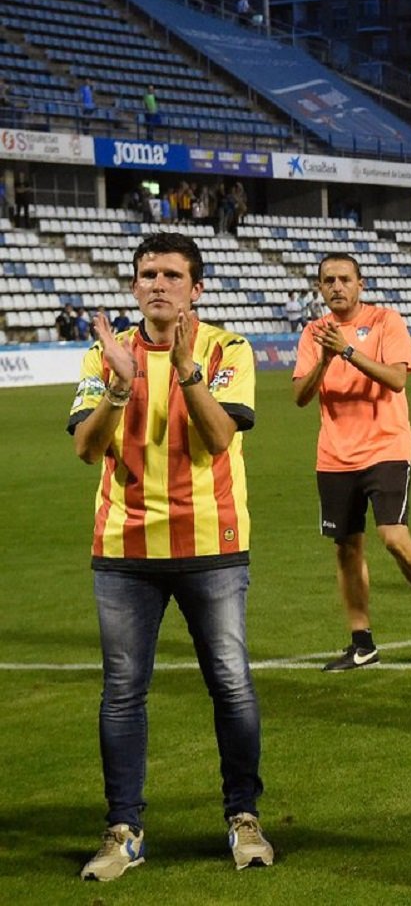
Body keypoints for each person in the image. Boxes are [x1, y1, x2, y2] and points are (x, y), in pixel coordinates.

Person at [68, 232, 272, 881]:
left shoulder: (227, 349)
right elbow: (85, 448)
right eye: (147, 274)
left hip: (213, 544)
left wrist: (185, 371)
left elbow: (218, 438)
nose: (158, 283)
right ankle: (123, 830)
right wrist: (120, 390)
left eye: (172, 275)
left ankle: (244, 819)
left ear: (196, 288)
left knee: (232, 686)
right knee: (123, 693)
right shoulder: (104, 356)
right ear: (133, 286)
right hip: (124, 547)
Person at [293, 254, 411, 671]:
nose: (337, 287)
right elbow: (300, 395)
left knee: (393, 538)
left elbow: (397, 378)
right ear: (319, 289)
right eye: (328, 280)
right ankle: (361, 642)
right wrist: (326, 359)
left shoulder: (386, 321)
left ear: (360, 284)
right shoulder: (314, 333)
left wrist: (347, 350)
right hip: (334, 455)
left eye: (344, 279)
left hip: (386, 448)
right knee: (347, 549)